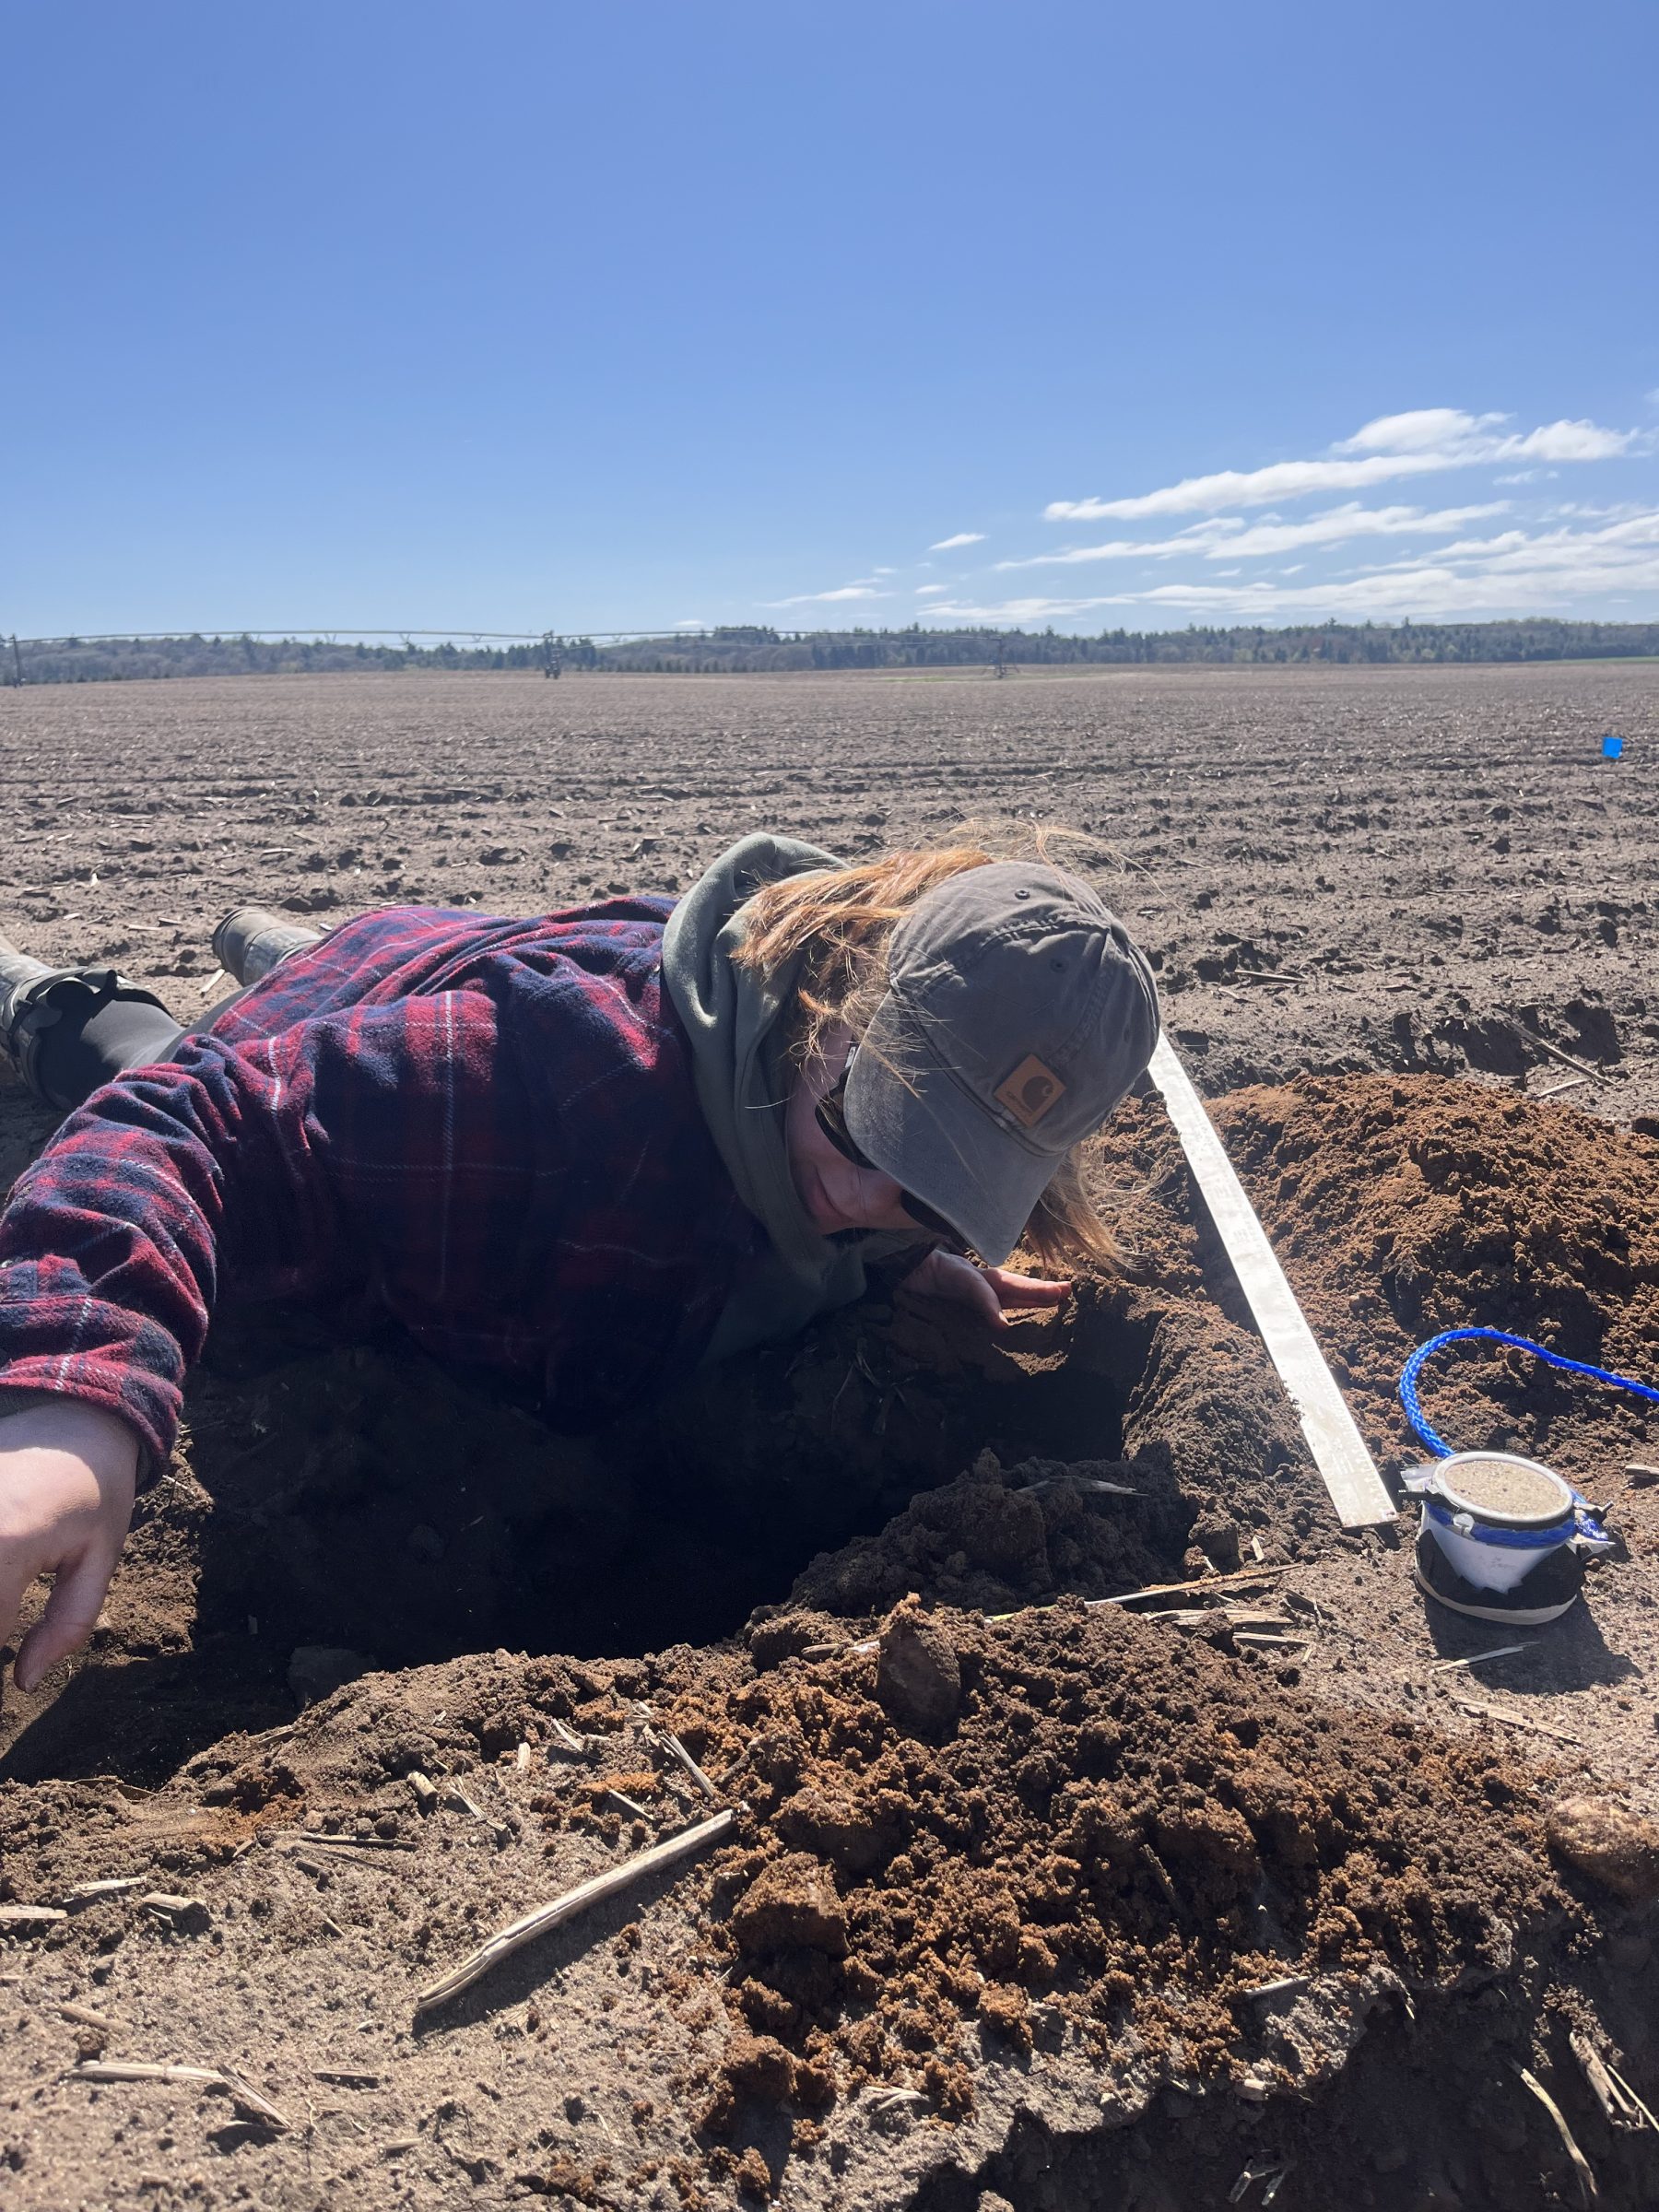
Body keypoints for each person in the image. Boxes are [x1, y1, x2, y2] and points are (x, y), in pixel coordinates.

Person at [0, 831, 1159, 1694]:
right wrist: (75, 1403)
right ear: (829, 989)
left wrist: (901, 1263)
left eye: (935, 1191)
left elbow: (852, 1191)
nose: (866, 1199)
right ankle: (52, 1001)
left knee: (358, 982)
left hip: (439, 974)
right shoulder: (549, 1087)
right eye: (869, 1129)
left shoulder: (827, 1121)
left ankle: (283, 946)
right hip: (372, 1102)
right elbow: (188, 1125)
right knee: (161, 1050)